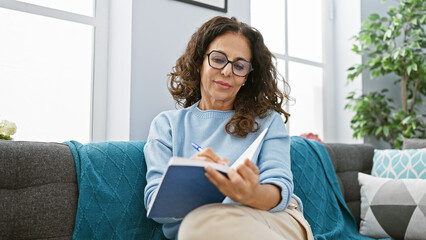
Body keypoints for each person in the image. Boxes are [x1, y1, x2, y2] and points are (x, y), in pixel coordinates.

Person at [144, 16, 313, 240]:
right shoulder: (167, 125)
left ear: (247, 77)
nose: (227, 72)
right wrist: (188, 181)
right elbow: (156, 206)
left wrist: (249, 193)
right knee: (200, 224)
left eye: (240, 66)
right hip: (203, 228)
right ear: (199, 63)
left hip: (273, 219)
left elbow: (279, 191)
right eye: (218, 59)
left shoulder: (267, 121)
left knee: (202, 224)